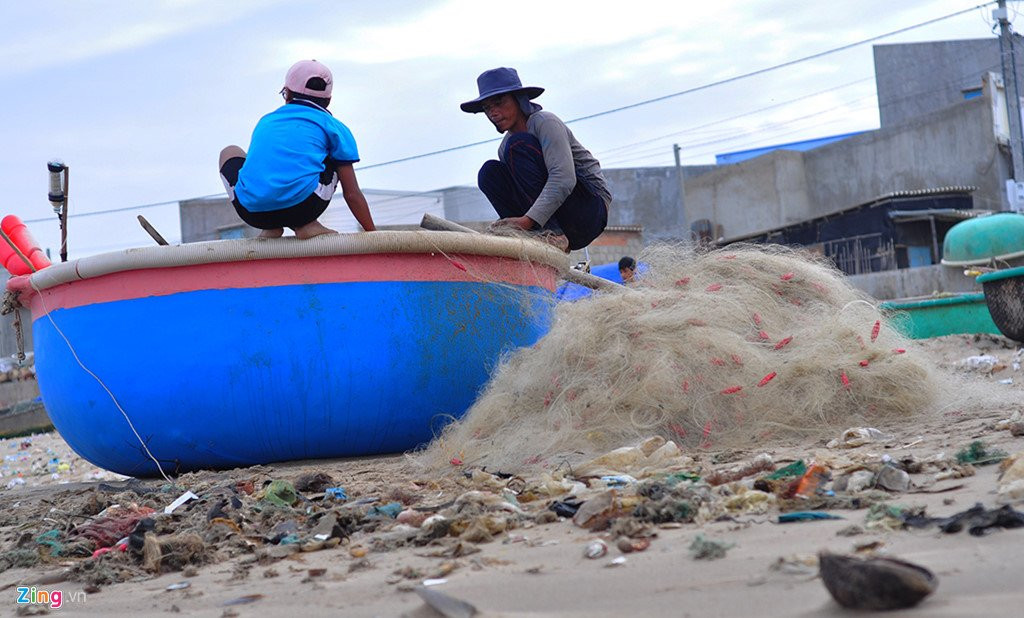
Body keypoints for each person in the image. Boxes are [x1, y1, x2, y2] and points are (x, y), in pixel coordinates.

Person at [219, 60, 375, 239]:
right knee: (334, 152)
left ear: (287, 94)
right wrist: (373, 234)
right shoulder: (334, 127)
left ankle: (271, 228)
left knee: (229, 152)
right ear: (329, 100)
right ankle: (308, 225)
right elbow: (352, 193)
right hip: (304, 208)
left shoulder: (266, 121)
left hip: (253, 213)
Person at [461, 67, 611, 253]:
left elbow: (564, 179)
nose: (493, 113)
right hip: (552, 217)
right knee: (489, 172)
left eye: (499, 103)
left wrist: (527, 220)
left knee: (518, 145)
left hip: (588, 212)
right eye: (488, 108)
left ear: (518, 100)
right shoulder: (505, 148)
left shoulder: (545, 123)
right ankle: (532, 236)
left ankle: (553, 234)